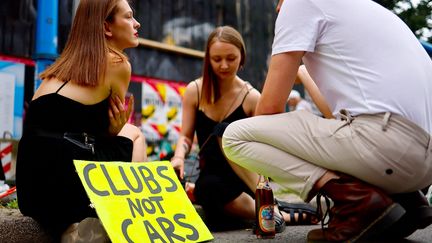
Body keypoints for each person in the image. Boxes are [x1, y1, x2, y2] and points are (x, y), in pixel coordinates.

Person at [222, 0, 432, 242]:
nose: (278, 9)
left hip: (388, 146)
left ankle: (358, 201)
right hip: (419, 161)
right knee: (336, 135)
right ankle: (405, 201)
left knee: (236, 136)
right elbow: (336, 117)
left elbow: (268, 110)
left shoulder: (299, 3)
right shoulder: (364, 10)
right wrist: (303, 73)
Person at [15, 0, 146, 241]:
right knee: (135, 134)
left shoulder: (60, 68)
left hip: (31, 192)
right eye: (128, 17)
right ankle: (128, 220)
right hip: (68, 187)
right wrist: (114, 129)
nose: (136, 23)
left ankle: (73, 226)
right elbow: (105, 131)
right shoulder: (118, 64)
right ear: (107, 27)